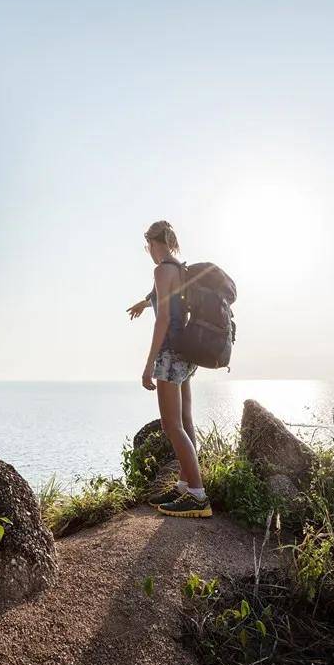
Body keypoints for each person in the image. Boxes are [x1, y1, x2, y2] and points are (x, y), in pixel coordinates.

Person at [127, 221, 211, 518]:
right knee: (185, 420)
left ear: (152, 242)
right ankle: (186, 485)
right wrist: (144, 301)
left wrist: (149, 364)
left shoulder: (161, 269)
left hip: (169, 353)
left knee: (170, 425)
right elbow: (166, 300)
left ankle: (198, 496)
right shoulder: (179, 267)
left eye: (147, 245)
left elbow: (163, 318)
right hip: (188, 352)